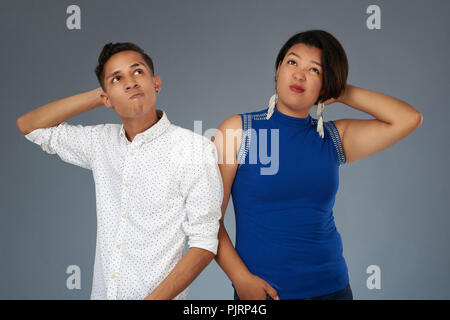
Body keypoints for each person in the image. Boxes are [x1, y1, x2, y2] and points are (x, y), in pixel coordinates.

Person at [212, 30, 423, 300]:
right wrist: (241, 280)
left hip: (334, 289)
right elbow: (207, 219)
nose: (300, 75)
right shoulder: (239, 131)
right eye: (292, 62)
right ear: (278, 70)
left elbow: (409, 118)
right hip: (263, 293)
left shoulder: (334, 138)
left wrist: (343, 91)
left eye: (315, 70)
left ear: (325, 85)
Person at [16, 42, 223, 300]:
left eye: (138, 72)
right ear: (105, 98)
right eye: (117, 78)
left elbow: (204, 244)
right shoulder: (100, 142)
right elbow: (29, 125)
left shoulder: (195, 149)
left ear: (156, 83)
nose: (131, 82)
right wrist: (104, 94)